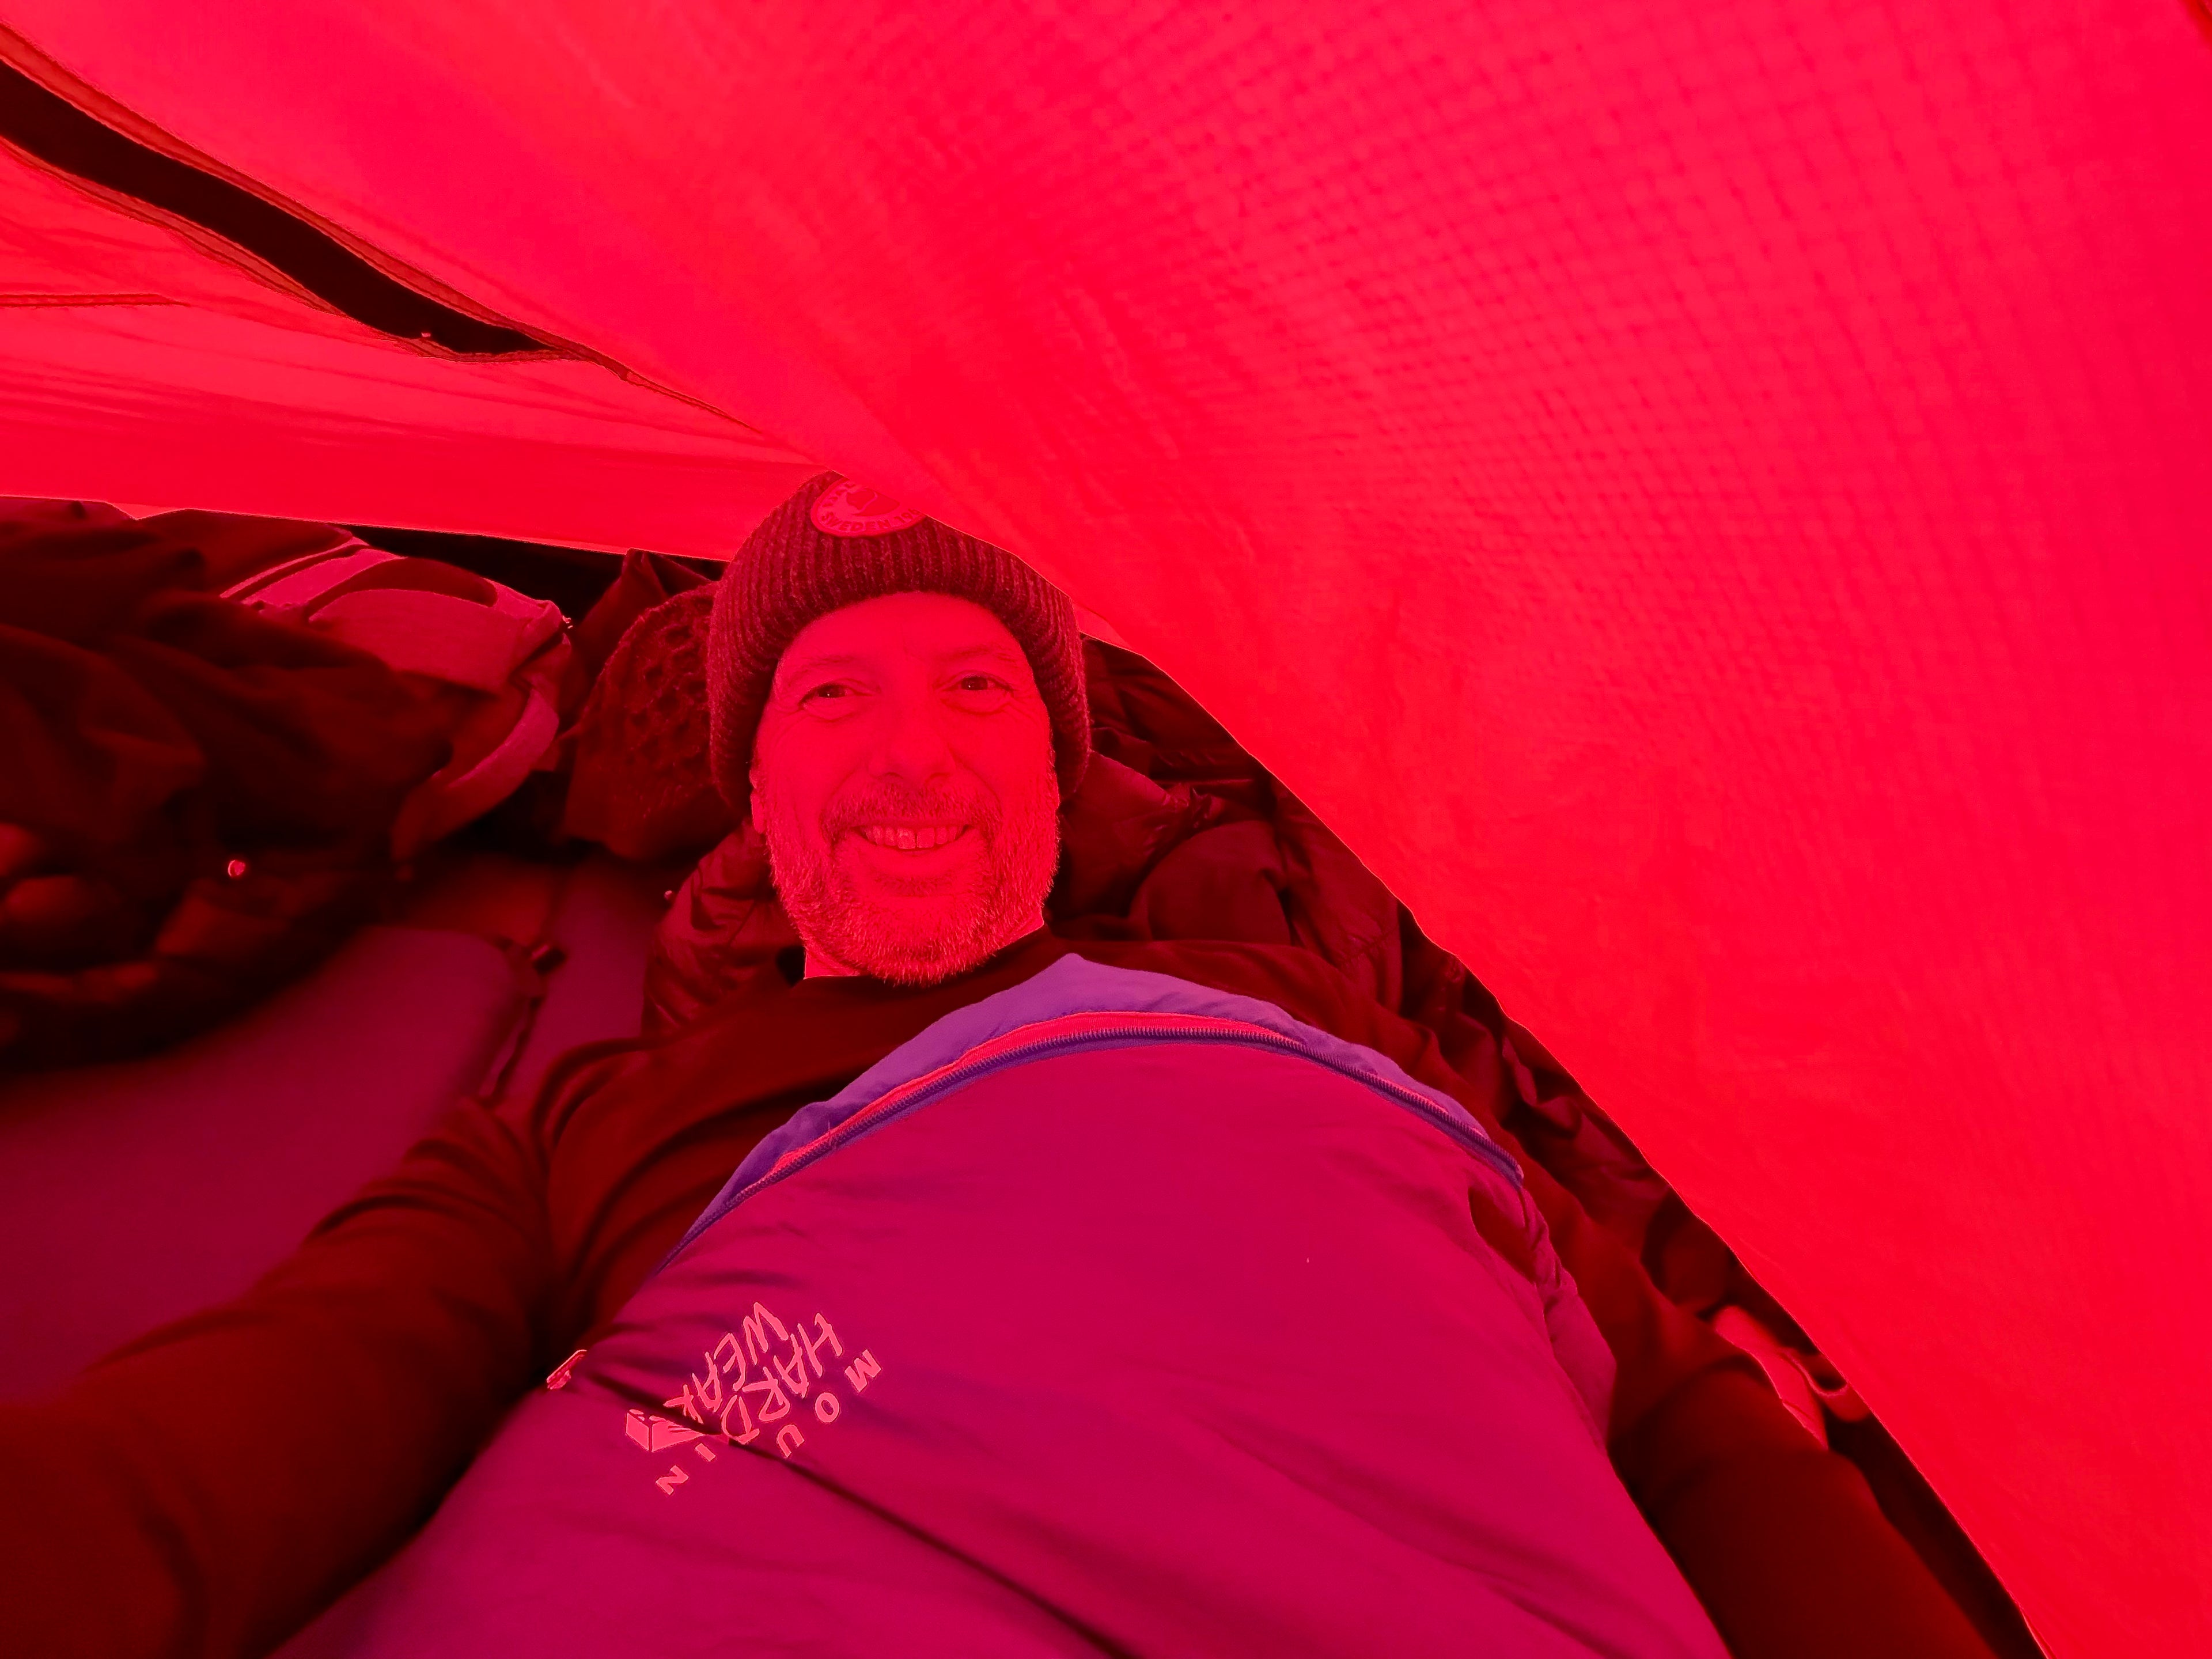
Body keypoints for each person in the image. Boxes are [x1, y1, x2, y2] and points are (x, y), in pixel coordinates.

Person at [0, 475, 1995, 1659]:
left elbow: (1689, 1427)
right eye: (832, 696)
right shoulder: (593, 1122)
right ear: (755, 794)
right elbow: (250, 1416)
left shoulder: (1314, 1020)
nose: (912, 750)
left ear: (1055, 765)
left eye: (979, 689)